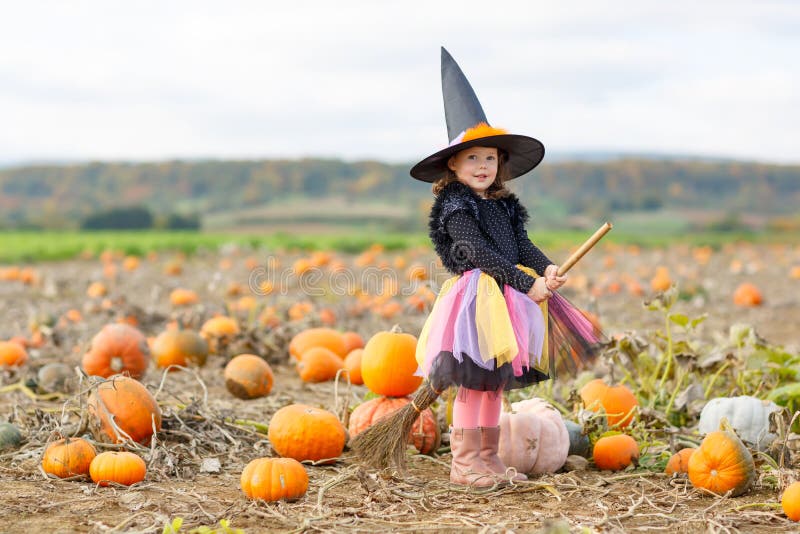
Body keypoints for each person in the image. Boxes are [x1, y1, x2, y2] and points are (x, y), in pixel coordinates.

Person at [409, 48, 568, 487]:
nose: (482, 166)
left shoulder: (504, 205)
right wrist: (524, 282)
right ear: (453, 165)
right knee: (473, 382)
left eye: (490, 158)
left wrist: (546, 268)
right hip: (476, 300)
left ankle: (489, 459)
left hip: (506, 300)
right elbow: (480, 254)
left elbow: (521, 246)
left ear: (500, 165)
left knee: (494, 383)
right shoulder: (455, 206)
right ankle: (464, 463)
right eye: (473, 158)